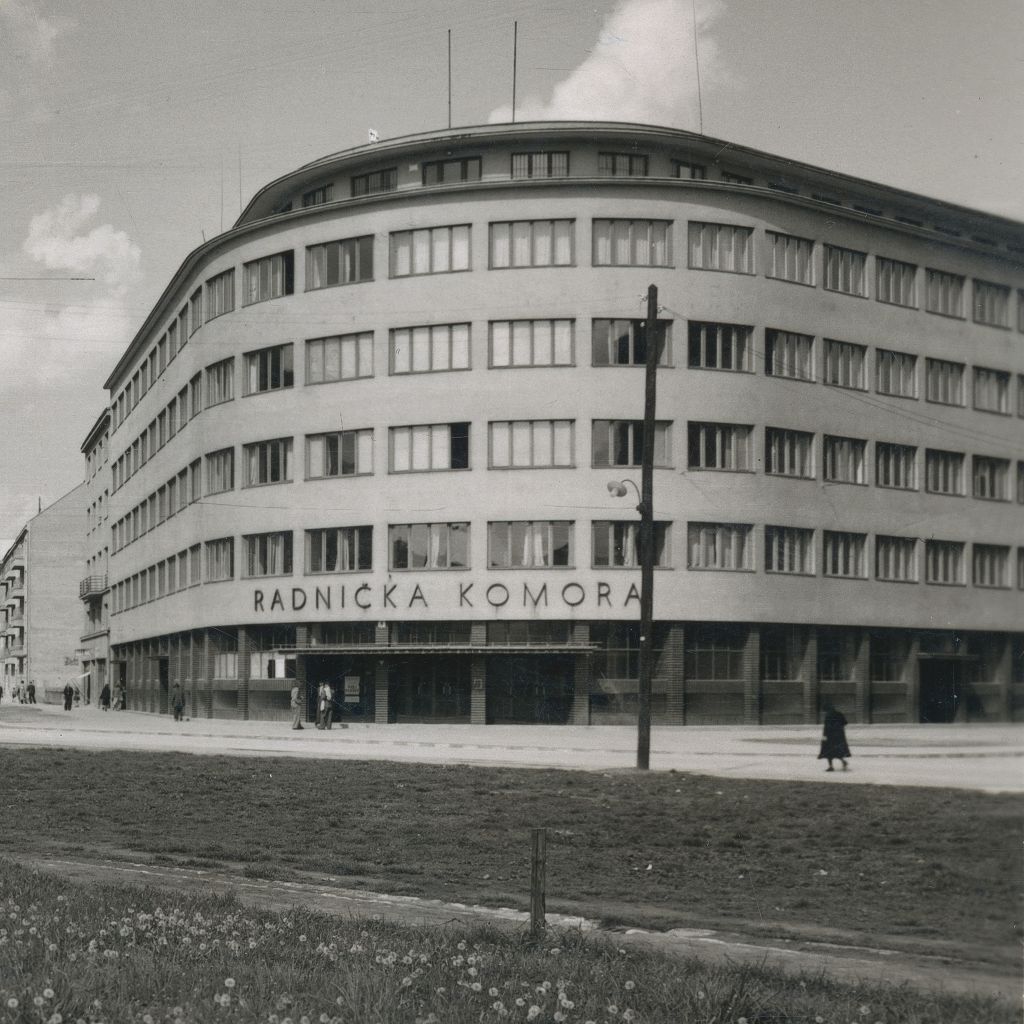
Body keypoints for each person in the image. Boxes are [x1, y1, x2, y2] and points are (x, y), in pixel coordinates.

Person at [818, 702, 851, 772]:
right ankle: (843, 762)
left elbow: (826, 727)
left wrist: (824, 736)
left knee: (828, 752)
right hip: (839, 736)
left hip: (830, 736)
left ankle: (831, 766)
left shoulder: (828, 715)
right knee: (838, 751)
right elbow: (845, 723)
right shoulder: (839, 714)